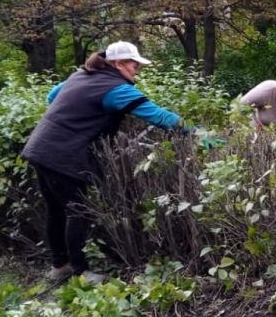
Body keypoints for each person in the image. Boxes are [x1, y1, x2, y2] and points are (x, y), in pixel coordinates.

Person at [22, 41, 188, 284]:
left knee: (56, 211)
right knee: (78, 210)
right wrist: (195, 133)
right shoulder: (116, 88)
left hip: (40, 147)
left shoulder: (81, 75)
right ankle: (80, 273)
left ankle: (60, 266)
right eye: (134, 64)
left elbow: (51, 96)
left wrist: (78, 112)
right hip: (64, 153)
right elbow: (160, 116)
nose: (137, 69)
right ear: (118, 64)